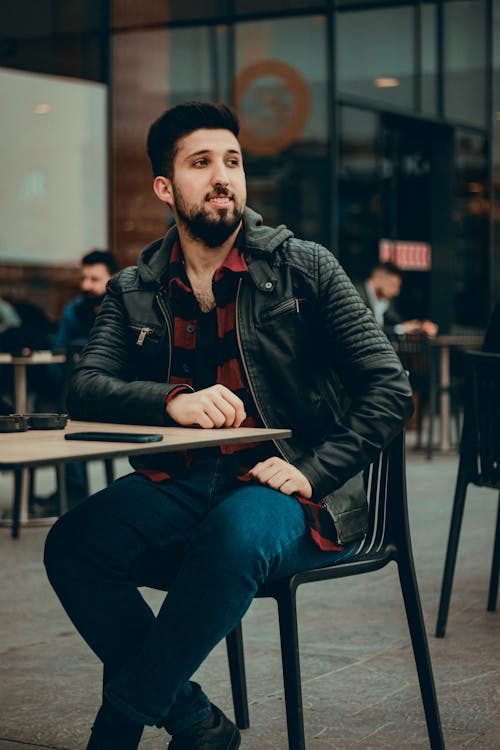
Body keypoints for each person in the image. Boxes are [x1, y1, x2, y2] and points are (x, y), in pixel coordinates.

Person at [44, 102, 413, 750]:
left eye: (233, 161)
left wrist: (311, 470)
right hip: (183, 480)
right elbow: (84, 386)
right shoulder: (136, 287)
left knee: (233, 534)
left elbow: (389, 387)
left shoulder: (304, 266)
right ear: (165, 187)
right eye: (201, 162)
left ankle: (119, 723)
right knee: (72, 544)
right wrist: (171, 400)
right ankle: (194, 721)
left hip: (291, 489)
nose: (224, 176)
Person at [53, 249, 120, 356]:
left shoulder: (124, 309)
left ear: (114, 278)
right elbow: (58, 352)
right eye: (83, 278)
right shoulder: (73, 309)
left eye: (94, 279)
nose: (85, 285)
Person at [355, 261, 438, 340]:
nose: (396, 292)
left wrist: (420, 327)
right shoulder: (356, 295)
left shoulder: (386, 301)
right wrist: (400, 329)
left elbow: (396, 322)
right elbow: (365, 331)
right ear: (377, 277)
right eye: (392, 285)